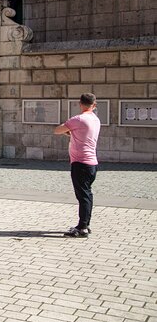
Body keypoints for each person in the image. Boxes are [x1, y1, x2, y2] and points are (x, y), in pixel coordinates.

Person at [54, 93, 101, 238]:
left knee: (83, 196)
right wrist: (73, 133)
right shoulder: (95, 119)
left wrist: (69, 131)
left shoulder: (79, 119)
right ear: (94, 105)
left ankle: (82, 227)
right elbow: (83, 135)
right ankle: (86, 223)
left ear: (80, 104)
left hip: (80, 163)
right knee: (87, 194)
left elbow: (57, 130)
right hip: (92, 163)